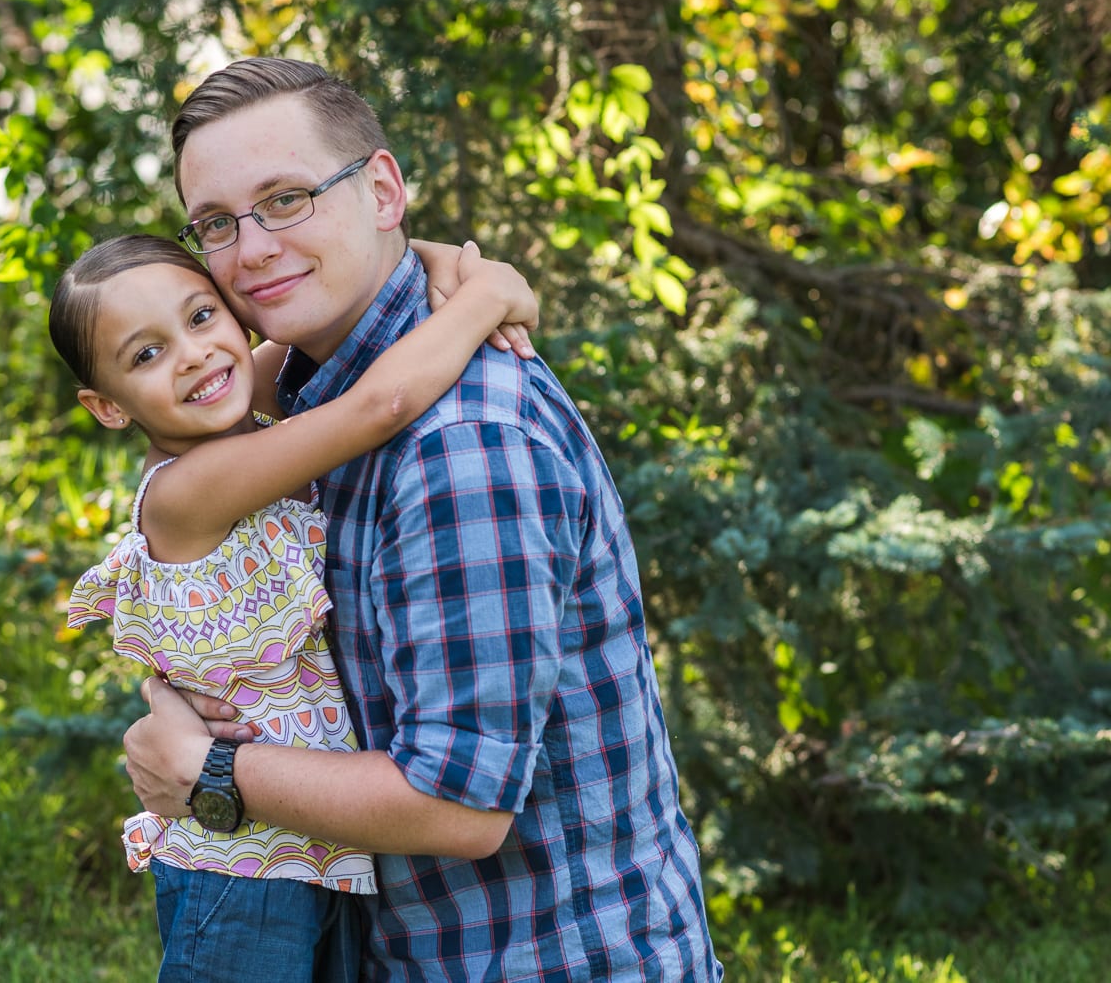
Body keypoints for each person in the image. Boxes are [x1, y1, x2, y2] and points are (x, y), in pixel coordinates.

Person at [122, 57, 724, 981]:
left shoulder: (461, 448)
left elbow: (459, 809)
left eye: (286, 199)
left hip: (542, 959)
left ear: (383, 191)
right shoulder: (310, 390)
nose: (250, 250)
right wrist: (468, 273)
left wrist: (209, 773)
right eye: (216, 224)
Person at [49, 232, 539, 983]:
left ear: (240, 318)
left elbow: (360, 323)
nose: (192, 355)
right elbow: (382, 401)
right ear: (107, 408)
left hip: (316, 844)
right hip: (241, 867)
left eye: (202, 317)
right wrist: (488, 297)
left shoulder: (232, 388)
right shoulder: (188, 489)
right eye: (145, 355)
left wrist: (444, 260)